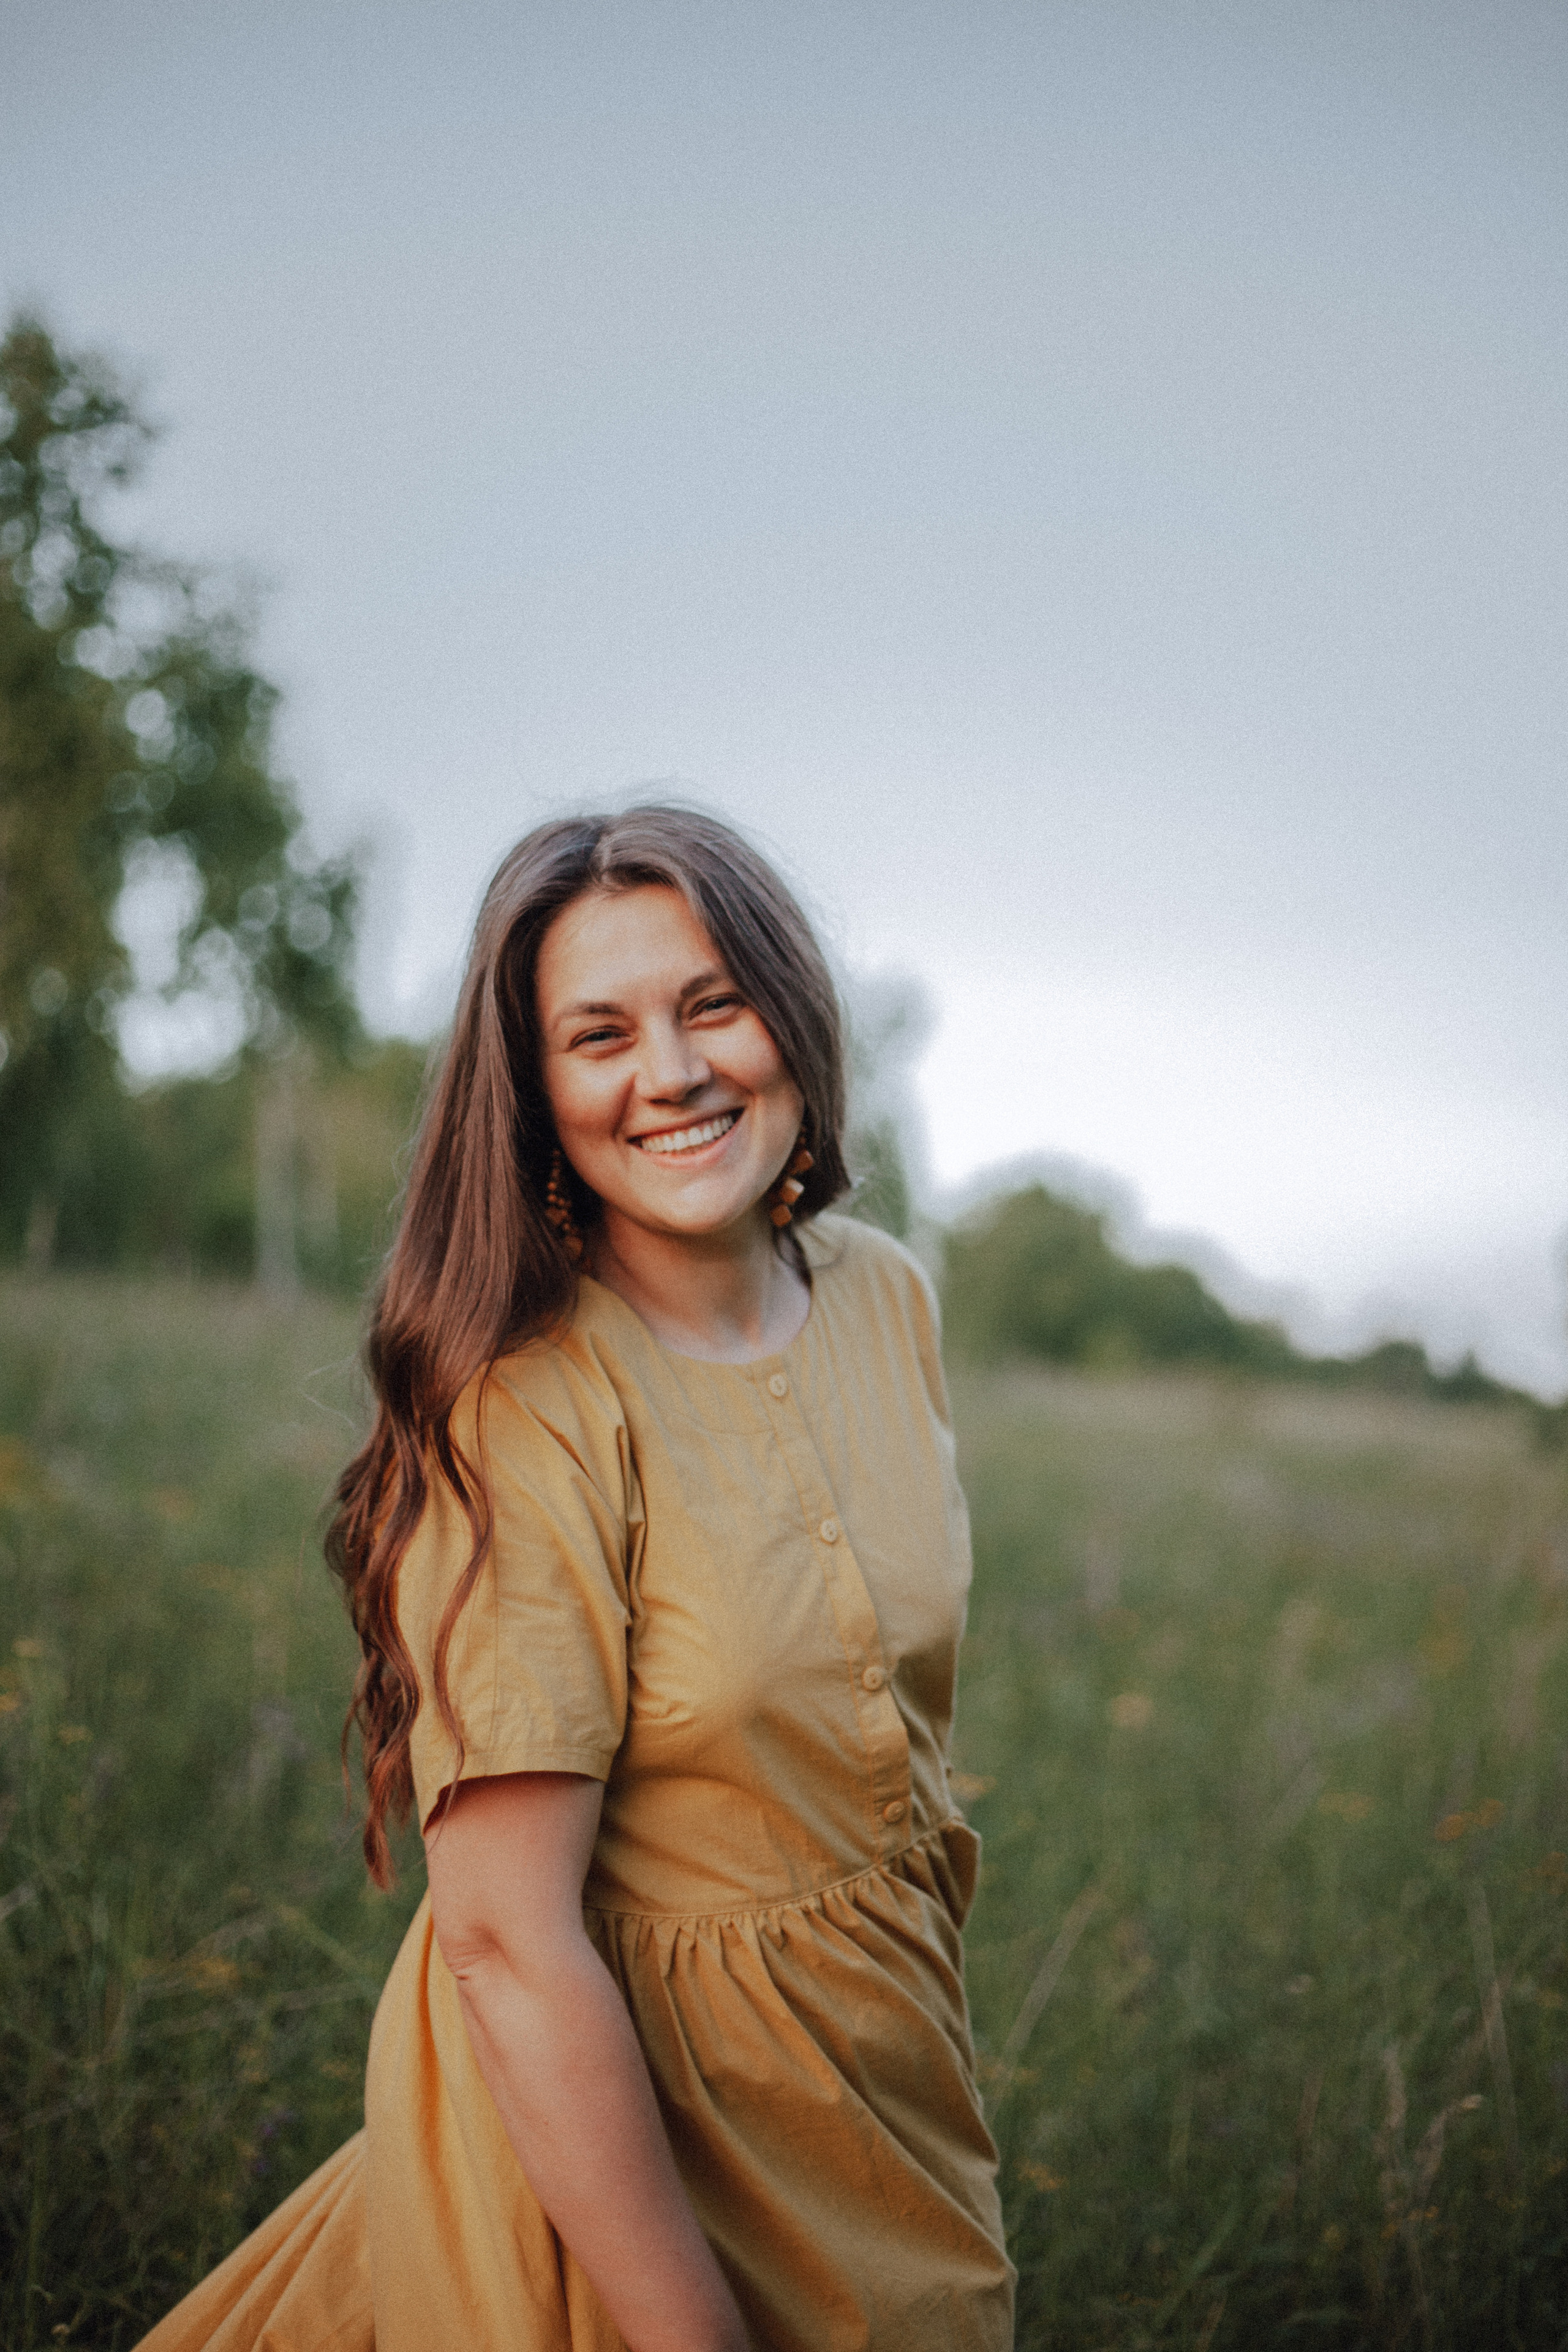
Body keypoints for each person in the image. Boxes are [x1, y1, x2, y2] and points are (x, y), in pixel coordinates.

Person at [140, 806, 1014, 2352]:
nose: (669, 1074)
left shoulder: (887, 1299)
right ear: (538, 1093)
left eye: (711, 1004)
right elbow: (501, 1941)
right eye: (596, 1034)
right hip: (615, 2159)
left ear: (790, 1015)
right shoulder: (525, 1399)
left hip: (876, 2099)